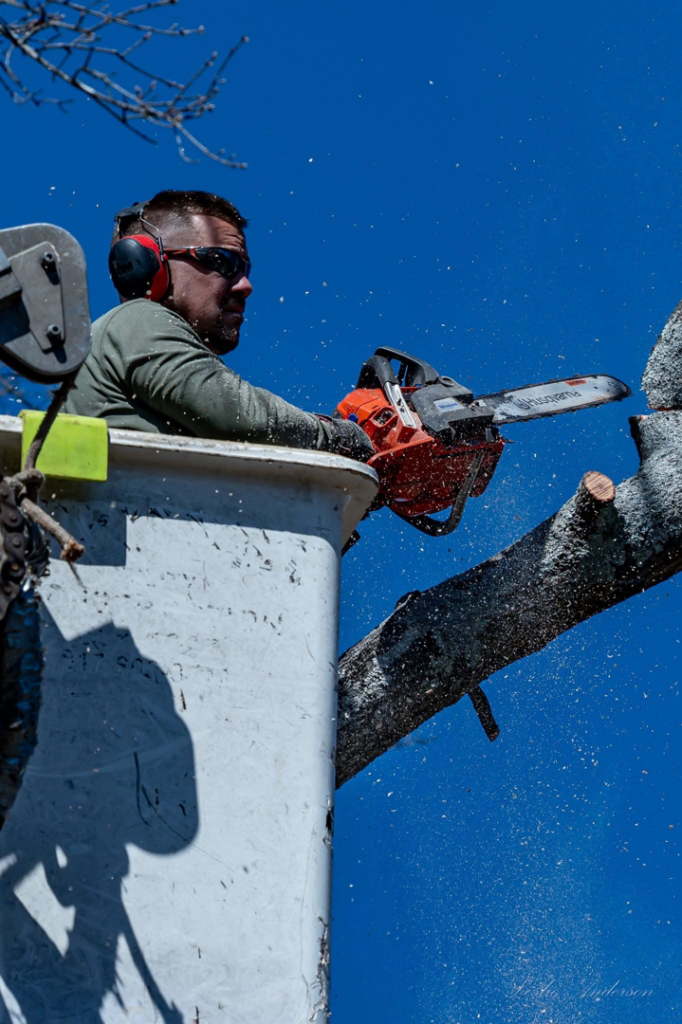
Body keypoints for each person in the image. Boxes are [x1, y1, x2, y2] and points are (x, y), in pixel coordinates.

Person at [64, 189, 374, 461]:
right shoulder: (136, 319)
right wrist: (340, 439)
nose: (245, 285)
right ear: (146, 263)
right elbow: (239, 417)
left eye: (245, 268)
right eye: (223, 262)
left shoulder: (141, 358)